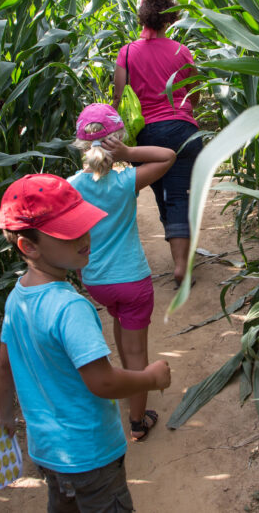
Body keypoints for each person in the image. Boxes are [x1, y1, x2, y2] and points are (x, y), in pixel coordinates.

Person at [0, 173, 172, 512]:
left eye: (83, 226)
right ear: (28, 247)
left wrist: (2, 414)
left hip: (48, 453)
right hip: (91, 454)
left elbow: (4, 366)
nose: (85, 237)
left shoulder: (17, 298)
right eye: (68, 233)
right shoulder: (71, 307)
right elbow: (102, 381)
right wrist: (152, 377)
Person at [68, 103, 176, 441]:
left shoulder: (72, 187)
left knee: (118, 322)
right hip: (132, 281)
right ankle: (137, 421)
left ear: (82, 147)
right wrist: (129, 152)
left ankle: (127, 391)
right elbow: (167, 156)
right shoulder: (127, 181)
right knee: (136, 353)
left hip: (98, 283)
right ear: (116, 142)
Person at [112, 0, 202, 288]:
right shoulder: (181, 51)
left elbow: (119, 97)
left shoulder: (126, 53)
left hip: (150, 134)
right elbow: (195, 92)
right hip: (184, 129)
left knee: (165, 195)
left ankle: (179, 261)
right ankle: (181, 265)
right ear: (170, 17)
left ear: (142, 16)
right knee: (180, 195)